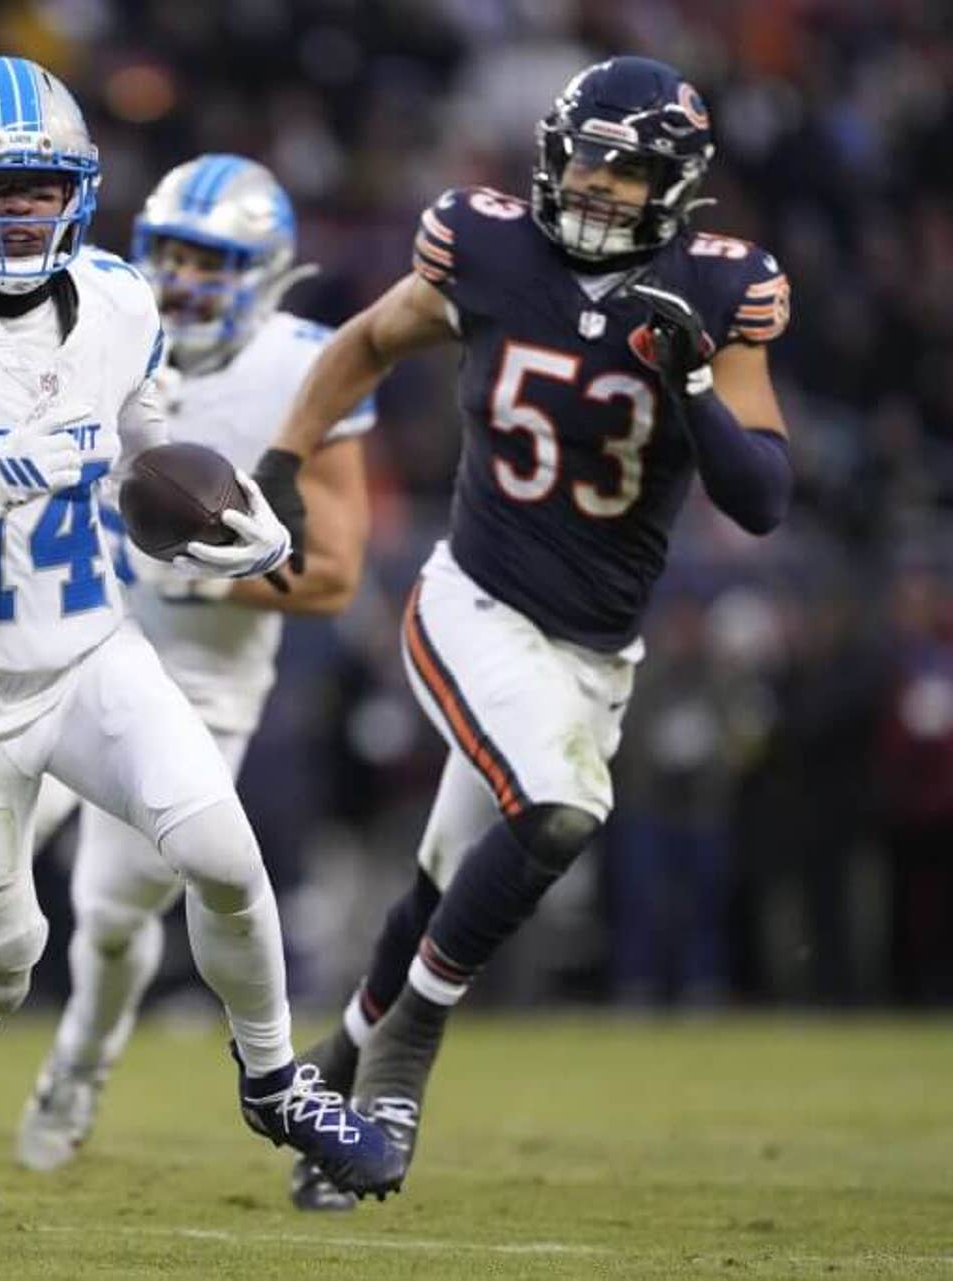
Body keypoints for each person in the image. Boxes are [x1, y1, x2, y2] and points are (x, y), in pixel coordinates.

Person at [0, 57, 403, 1251]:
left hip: (91, 653)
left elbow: (142, 443)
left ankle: (277, 1079)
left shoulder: (122, 297)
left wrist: (239, 523)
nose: (23, 209)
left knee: (225, 859)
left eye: (43, 186)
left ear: (78, 191)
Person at [250, 56, 793, 1206]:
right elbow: (359, 342)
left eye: (628, 168)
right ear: (550, 152)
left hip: (599, 651)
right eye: (586, 157)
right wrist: (283, 462)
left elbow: (762, 499)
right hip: (474, 600)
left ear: (676, 186)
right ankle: (402, 1064)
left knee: (443, 889)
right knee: (561, 808)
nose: (598, 183)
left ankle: (329, 1106)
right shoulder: (486, 248)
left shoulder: (718, 286)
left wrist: (691, 379)